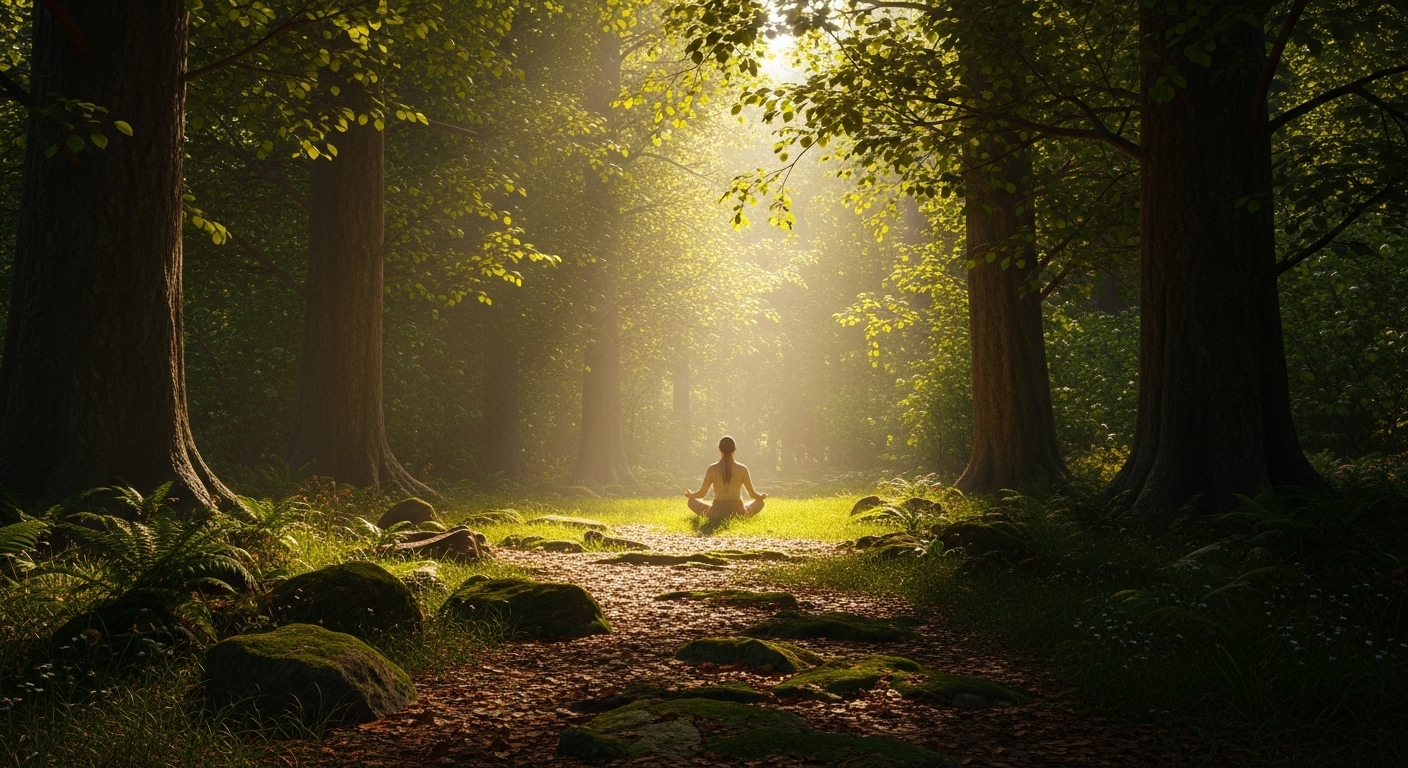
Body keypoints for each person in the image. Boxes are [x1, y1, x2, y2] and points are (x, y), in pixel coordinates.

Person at [685, 435, 766, 522]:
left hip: (717, 512)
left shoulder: (712, 469)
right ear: (735, 449)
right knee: (760, 503)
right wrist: (761, 496)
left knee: (691, 502)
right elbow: (752, 494)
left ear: (719, 449)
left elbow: (701, 494)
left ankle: (712, 513)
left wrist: (691, 495)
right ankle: (744, 514)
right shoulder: (742, 469)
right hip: (738, 511)